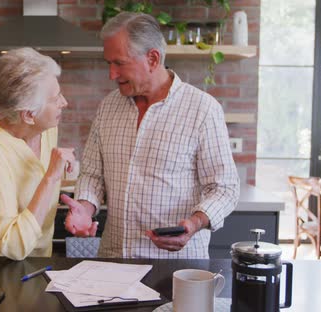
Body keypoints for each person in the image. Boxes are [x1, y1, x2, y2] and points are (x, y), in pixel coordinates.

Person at [62, 12, 240, 259]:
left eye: (120, 63)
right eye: (108, 63)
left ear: (153, 58)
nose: (112, 74)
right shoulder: (108, 107)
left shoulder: (202, 109)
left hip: (177, 267)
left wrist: (194, 223)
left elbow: (224, 188)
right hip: (114, 263)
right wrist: (84, 208)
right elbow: (93, 175)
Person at [0, 47, 75, 260]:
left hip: (37, 260)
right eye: (56, 98)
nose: (64, 102)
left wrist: (78, 201)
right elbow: (12, 245)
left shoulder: (46, 129)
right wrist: (51, 177)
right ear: (29, 115)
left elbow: (35, 179)